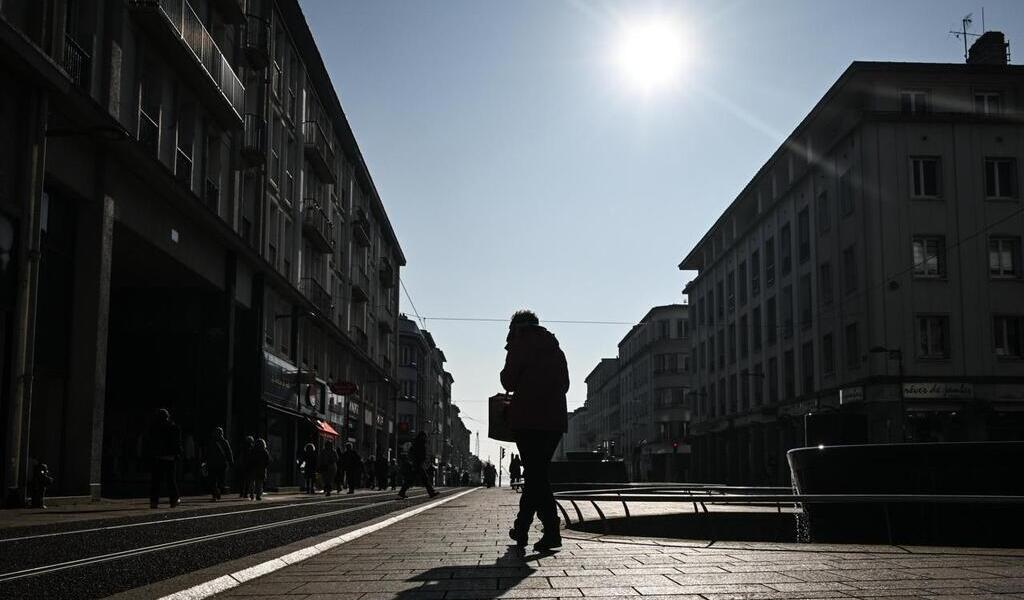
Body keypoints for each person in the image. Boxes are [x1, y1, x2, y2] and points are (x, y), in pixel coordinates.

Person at [500, 310, 569, 552]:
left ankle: (552, 530)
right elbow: (566, 385)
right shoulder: (555, 347)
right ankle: (522, 528)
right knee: (537, 476)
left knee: (537, 477)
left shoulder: (519, 344)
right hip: (554, 422)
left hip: (528, 420)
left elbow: (507, 381)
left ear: (516, 327)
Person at [147, 408, 183, 509]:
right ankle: (174, 500)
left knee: (156, 481)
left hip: (157, 457)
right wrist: (178, 454)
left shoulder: (154, 428)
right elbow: (177, 443)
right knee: (171, 480)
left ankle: (154, 501)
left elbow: (150, 442)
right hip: (170, 457)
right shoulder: (173, 427)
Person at [398, 431, 438, 499]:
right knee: (424, 479)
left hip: (417, 463)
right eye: (424, 436)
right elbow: (417, 454)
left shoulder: (418, 443)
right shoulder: (419, 443)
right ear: (422, 436)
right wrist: (417, 461)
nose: (425, 438)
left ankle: (402, 492)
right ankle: (431, 492)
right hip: (417, 464)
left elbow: (413, 453)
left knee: (411, 479)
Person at [205, 427, 234, 501]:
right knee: (219, 480)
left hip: (213, 464)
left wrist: (205, 461)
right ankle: (216, 493)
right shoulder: (224, 442)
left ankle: (215, 494)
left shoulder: (211, 442)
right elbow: (229, 453)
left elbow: (207, 453)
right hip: (221, 464)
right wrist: (231, 462)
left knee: (214, 480)